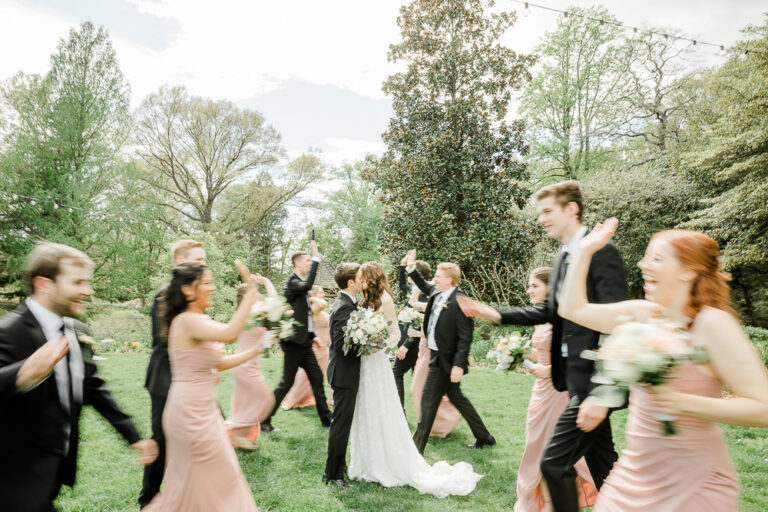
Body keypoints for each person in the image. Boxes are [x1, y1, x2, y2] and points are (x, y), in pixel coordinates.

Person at [559, 219, 768, 511]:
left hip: (693, 484)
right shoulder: (643, 314)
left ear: (687, 271)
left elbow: (763, 408)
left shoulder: (712, 323)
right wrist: (585, 250)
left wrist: (681, 401)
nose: (643, 264)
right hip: (634, 475)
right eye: (646, 257)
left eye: (656, 258)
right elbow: (571, 308)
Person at [458, 181, 628, 512]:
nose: (541, 219)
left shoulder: (601, 252)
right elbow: (550, 311)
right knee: (606, 470)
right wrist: (496, 314)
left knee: (553, 464)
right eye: (540, 213)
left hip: (592, 384)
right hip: (576, 382)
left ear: (572, 209)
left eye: (548, 211)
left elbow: (617, 322)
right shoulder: (565, 255)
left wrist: (601, 393)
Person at [0, 242, 157, 512]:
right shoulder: (10, 332)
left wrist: (134, 437)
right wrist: (21, 374)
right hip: (13, 481)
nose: (88, 291)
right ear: (44, 284)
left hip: (52, 475)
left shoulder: (75, 330)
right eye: (78, 282)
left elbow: (93, 389)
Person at [347, 262, 482, 497]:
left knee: (398, 404)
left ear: (370, 278)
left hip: (382, 360)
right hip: (364, 362)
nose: (359, 281)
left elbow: (395, 333)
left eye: (361, 277)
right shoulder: (362, 299)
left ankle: (397, 456)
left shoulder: (386, 300)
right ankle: (365, 462)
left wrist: (376, 345)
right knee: (366, 409)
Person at [143, 260, 264, 511]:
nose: (213, 288)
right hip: (189, 414)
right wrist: (251, 293)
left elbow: (218, 363)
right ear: (188, 290)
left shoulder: (198, 319)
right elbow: (231, 333)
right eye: (207, 283)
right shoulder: (186, 321)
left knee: (209, 482)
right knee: (217, 479)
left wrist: (255, 350)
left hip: (203, 410)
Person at [513, 267, 597, 512]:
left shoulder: (565, 315)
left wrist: (549, 371)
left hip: (559, 391)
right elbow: (541, 352)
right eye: (529, 286)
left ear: (550, 287)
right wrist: (515, 351)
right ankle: (548, 500)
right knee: (536, 444)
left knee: (550, 448)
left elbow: (577, 357)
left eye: (534, 286)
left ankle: (552, 503)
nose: (529, 290)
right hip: (540, 391)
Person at [406, 252, 496, 455]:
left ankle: (415, 449)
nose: (434, 279)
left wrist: (458, 365)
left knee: (428, 400)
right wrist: (411, 268)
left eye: (438, 276)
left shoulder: (460, 301)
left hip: (445, 361)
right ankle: (485, 437)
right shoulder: (437, 294)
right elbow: (424, 285)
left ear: (449, 280)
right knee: (458, 399)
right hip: (436, 356)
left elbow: (465, 337)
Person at [140, 239, 206, 508]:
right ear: (180, 261)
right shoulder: (165, 294)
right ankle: (148, 500)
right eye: (198, 260)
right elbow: (167, 341)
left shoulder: (194, 293)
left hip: (192, 381)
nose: (204, 264)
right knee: (162, 441)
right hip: (165, 380)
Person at [263, 240, 331, 431]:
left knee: (317, 378)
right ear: (298, 263)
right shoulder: (293, 282)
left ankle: (327, 419)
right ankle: (265, 420)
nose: (310, 262)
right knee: (286, 383)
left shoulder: (299, 285)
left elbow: (304, 315)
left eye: (311, 260)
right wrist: (316, 256)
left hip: (304, 343)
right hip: (292, 343)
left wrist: (312, 336)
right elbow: (308, 284)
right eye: (307, 260)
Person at [225, 278, 277, 450]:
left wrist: (269, 339)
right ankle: (228, 431)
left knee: (244, 404)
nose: (259, 295)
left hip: (243, 363)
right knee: (265, 400)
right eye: (255, 292)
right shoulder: (251, 314)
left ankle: (238, 438)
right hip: (245, 365)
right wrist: (267, 283)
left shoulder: (244, 313)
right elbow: (275, 305)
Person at [323, 263, 362, 487]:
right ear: (351, 282)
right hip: (344, 375)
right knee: (340, 425)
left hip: (346, 373)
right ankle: (333, 473)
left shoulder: (347, 303)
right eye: (359, 278)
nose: (362, 281)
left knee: (343, 424)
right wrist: (364, 342)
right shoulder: (343, 307)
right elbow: (340, 346)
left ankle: (339, 467)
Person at [407, 283, 461, 438]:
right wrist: (417, 284)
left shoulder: (443, 306)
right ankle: (429, 426)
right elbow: (412, 302)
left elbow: (440, 333)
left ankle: (438, 425)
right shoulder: (431, 304)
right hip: (423, 351)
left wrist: (417, 334)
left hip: (432, 352)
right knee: (422, 389)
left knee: (418, 388)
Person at [281, 285, 331, 409]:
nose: (323, 295)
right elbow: (322, 303)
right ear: (314, 295)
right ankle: (291, 400)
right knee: (305, 377)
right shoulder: (313, 308)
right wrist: (309, 298)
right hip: (315, 347)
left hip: (324, 348)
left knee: (318, 377)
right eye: (321, 292)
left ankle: (316, 398)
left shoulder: (315, 308)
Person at [392, 259, 430, 409]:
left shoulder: (422, 296)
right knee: (418, 381)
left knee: (396, 373)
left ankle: (399, 410)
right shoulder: (415, 290)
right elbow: (402, 285)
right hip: (411, 343)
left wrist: (406, 346)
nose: (408, 274)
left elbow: (417, 323)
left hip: (412, 344)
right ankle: (423, 413)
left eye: (410, 271)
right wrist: (402, 266)